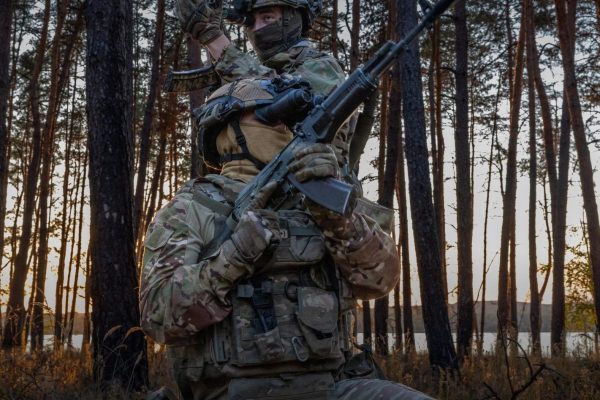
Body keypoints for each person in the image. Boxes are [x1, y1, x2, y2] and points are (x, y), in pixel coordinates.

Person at [140, 78, 433, 400]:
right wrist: (234, 257)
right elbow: (160, 316)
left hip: (330, 388)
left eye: (288, 120)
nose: (284, 127)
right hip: (232, 391)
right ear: (227, 131)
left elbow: (380, 281)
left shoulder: (317, 199)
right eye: (269, 116)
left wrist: (335, 215)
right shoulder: (192, 209)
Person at [174, 0, 353, 166]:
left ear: (293, 19)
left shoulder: (322, 67)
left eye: (267, 18)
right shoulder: (258, 70)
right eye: (251, 22)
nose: (257, 29)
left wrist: (213, 38)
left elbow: (285, 98)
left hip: (311, 184)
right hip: (256, 179)